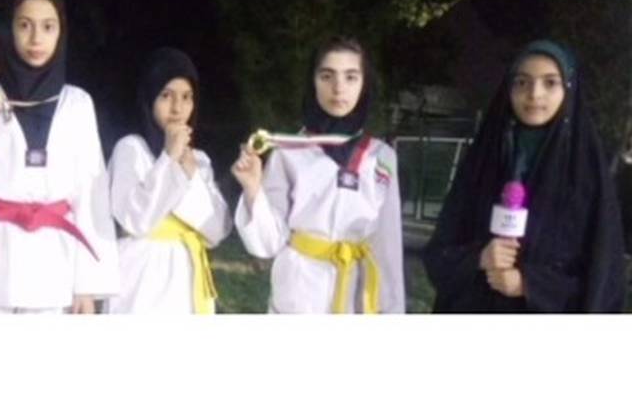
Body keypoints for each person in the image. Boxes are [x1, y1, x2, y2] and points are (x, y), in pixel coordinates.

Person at [0, 0, 118, 314]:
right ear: (9, 29)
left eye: (47, 27)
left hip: (52, 265)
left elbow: (91, 195)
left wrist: (86, 285)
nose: (36, 38)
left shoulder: (77, 104)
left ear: (61, 33)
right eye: (25, 25)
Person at [424, 40, 625, 312]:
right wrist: (479, 258)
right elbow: (438, 255)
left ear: (568, 89)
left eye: (550, 83)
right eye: (522, 82)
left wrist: (530, 285)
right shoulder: (484, 160)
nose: (534, 94)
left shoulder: (587, 176)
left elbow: (603, 282)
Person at [231, 36, 404, 313]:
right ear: (313, 82)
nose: (338, 88)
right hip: (299, 295)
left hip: (356, 293)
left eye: (351, 77)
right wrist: (253, 189)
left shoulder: (381, 158)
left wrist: (393, 311)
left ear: (364, 84)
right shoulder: (289, 152)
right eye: (327, 76)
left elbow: (388, 245)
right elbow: (267, 243)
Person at [107, 47, 231, 314]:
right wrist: (168, 159)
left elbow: (218, 229)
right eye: (166, 96)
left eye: (186, 97)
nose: (177, 108)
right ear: (149, 98)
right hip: (140, 280)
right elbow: (136, 220)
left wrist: (191, 175)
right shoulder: (131, 149)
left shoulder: (199, 160)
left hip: (186, 276)